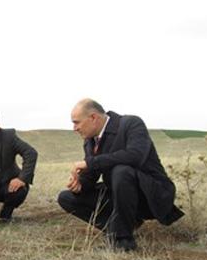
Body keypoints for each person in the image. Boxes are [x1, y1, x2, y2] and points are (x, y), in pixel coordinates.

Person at [58, 98, 184, 251]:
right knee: (66, 198)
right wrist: (80, 184)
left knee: (121, 171)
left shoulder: (131, 123)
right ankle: (120, 228)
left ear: (93, 118)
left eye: (76, 122)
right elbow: (91, 175)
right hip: (120, 195)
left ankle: (123, 241)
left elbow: (136, 156)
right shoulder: (90, 141)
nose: (74, 128)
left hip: (151, 194)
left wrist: (90, 163)